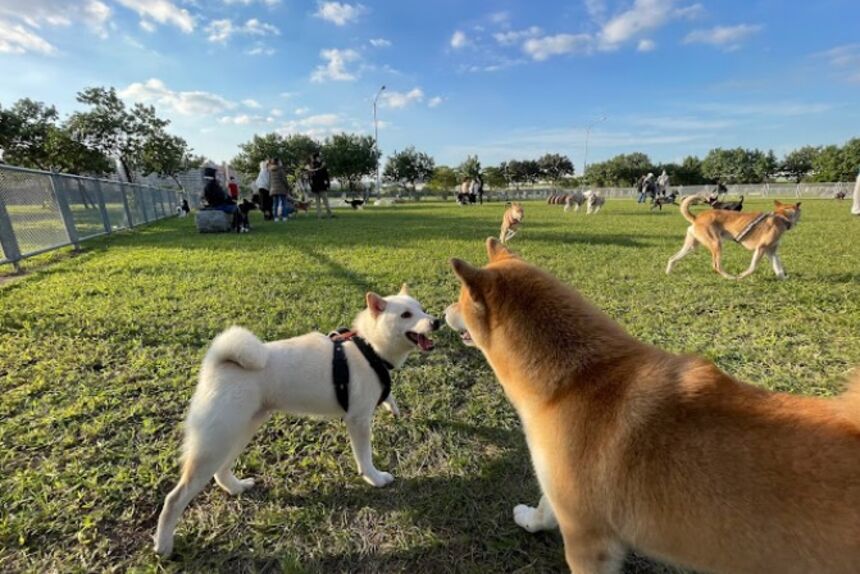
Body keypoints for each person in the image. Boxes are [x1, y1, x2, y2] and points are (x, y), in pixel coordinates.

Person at [308, 152, 333, 219]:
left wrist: (311, 186)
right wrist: (328, 185)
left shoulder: (312, 167)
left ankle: (319, 216)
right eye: (319, 157)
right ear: (317, 158)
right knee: (325, 202)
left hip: (315, 187)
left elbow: (310, 178)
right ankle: (329, 214)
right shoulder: (322, 166)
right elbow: (326, 176)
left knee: (318, 203)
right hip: (321, 186)